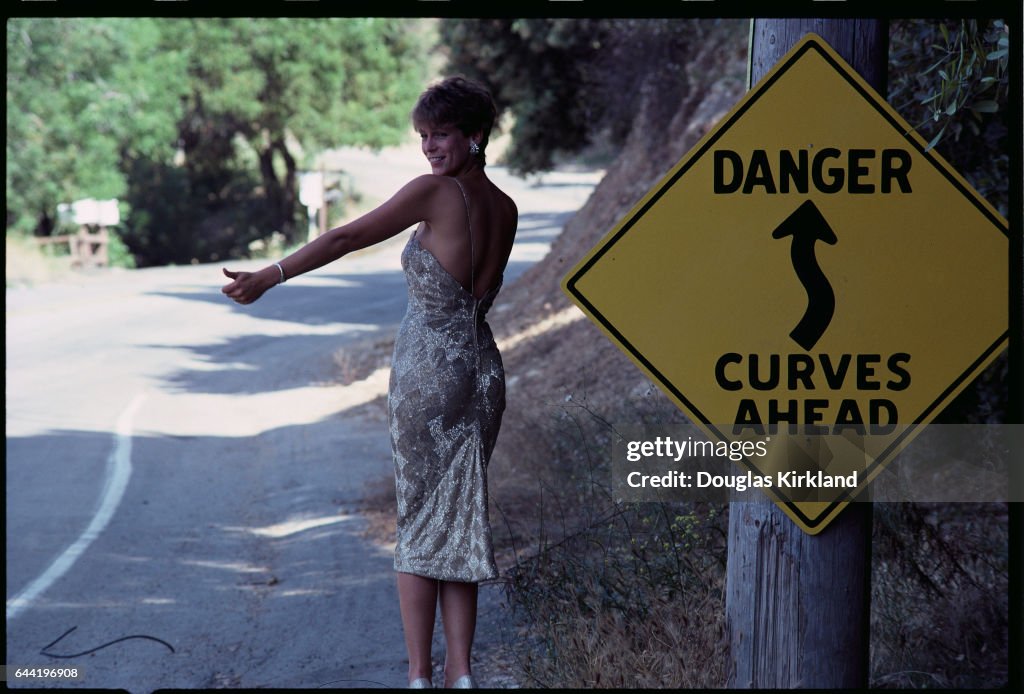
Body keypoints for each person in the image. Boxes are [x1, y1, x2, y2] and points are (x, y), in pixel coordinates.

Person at [222, 76, 518, 689]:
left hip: (430, 369)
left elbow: (347, 236)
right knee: (460, 516)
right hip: (482, 370)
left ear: (475, 135)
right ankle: (460, 675)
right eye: (423, 137)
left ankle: (417, 676)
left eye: (441, 135)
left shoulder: (435, 194)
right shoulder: (505, 207)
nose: (430, 148)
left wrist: (271, 275)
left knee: (418, 519)